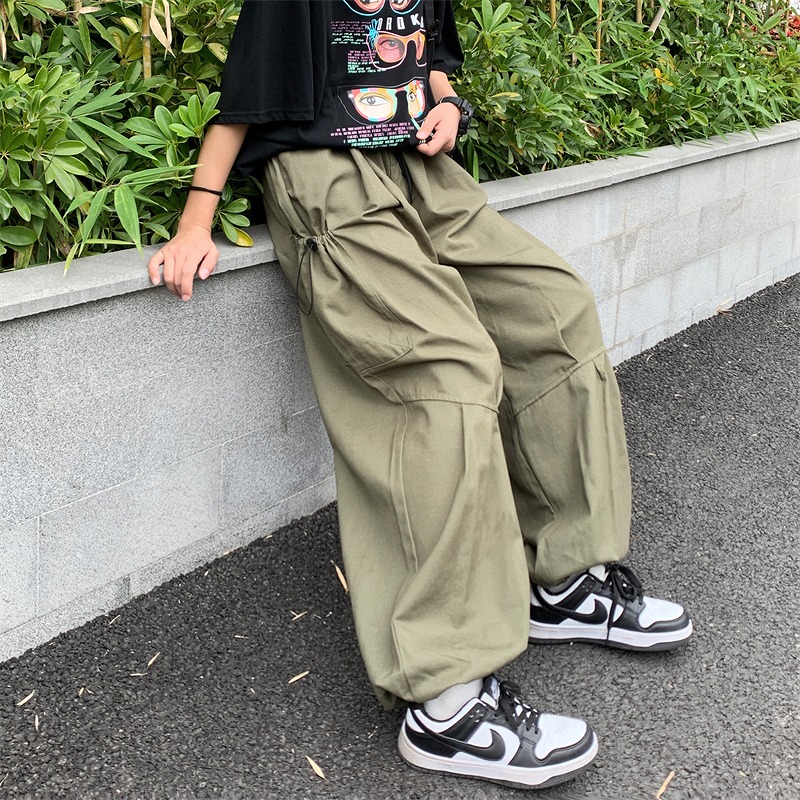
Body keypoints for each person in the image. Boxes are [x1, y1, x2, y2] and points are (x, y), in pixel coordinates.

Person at [147, 0, 693, 789]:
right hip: (326, 175)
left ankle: (563, 578)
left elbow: (432, 60)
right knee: (444, 370)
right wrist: (197, 220)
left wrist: (447, 105)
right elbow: (247, 97)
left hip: (419, 167)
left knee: (554, 312)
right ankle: (445, 703)